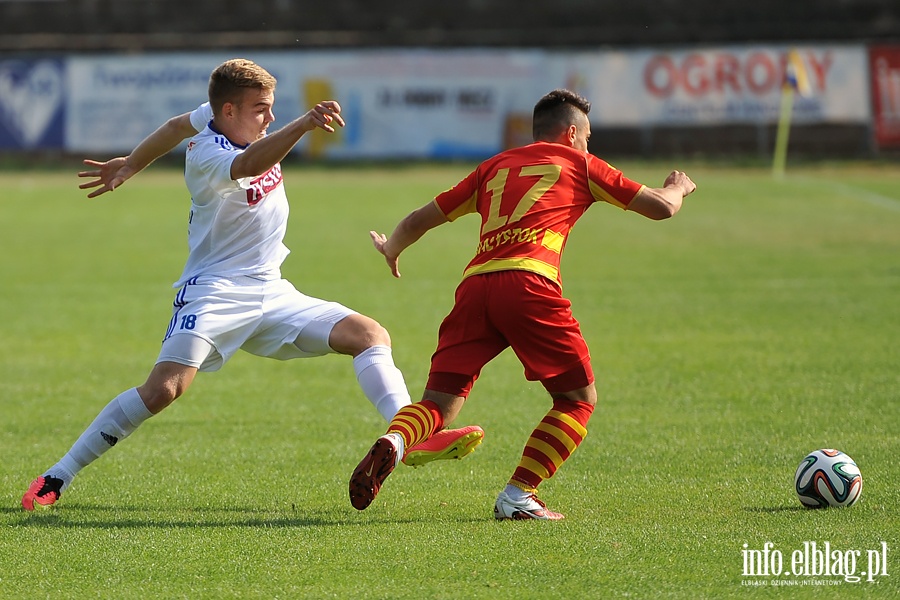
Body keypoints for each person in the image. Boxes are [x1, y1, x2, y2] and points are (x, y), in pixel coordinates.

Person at [22, 58, 483, 511]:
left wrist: (131, 163)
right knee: (163, 390)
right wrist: (303, 125)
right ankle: (57, 475)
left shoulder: (215, 118)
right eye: (261, 108)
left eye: (272, 107)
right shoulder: (206, 155)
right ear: (228, 112)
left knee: (370, 335)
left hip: (272, 289)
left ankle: (407, 437)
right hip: (214, 291)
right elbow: (245, 165)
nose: (270, 116)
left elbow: (172, 124)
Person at [349, 89, 697, 520]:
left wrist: (392, 248)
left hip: (475, 287)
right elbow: (661, 208)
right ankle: (519, 496)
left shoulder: (493, 167)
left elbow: (422, 217)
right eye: (588, 135)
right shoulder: (580, 163)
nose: (590, 144)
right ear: (572, 133)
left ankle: (395, 442)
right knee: (577, 399)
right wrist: (676, 187)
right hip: (530, 283)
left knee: (438, 405)